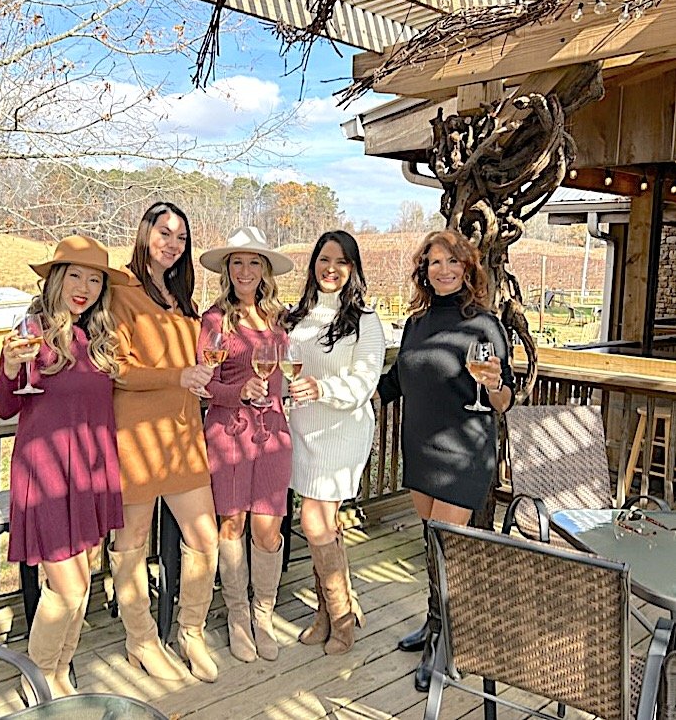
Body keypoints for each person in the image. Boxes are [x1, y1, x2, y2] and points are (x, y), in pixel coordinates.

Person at [0, 235, 127, 702]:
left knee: (84, 578)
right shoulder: (34, 332)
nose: (84, 287)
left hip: (90, 470)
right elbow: (4, 406)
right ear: (55, 278)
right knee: (66, 587)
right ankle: (36, 677)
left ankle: (62, 668)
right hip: (47, 474)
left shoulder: (98, 338)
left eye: (94, 279)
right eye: (75, 275)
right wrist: (9, 366)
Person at [377, 228, 514, 692]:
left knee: (446, 547)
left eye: (453, 262)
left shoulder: (485, 324)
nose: (444, 270)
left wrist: (494, 386)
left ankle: (446, 643)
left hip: (465, 452)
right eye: (435, 263)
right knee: (430, 542)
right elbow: (395, 381)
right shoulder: (416, 324)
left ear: (467, 269)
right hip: (419, 448)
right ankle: (434, 622)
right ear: (424, 271)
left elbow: (504, 399)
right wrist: (343, 393)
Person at [108, 201, 220, 683]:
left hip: (182, 436)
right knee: (131, 544)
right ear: (145, 234)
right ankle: (142, 640)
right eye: (164, 233)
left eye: (181, 238)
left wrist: (197, 379)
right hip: (136, 436)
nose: (173, 244)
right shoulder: (119, 289)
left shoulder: (181, 297)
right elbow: (116, 367)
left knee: (205, 539)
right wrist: (179, 374)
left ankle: (189, 631)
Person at [285, 230, 385, 655]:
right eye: (325, 259)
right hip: (302, 429)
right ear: (313, 264)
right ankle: (328, 614)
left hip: (341, 429)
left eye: (342, 262)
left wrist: (322, 389)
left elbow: (364, 384)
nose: (332, 268)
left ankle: (342, 617)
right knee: (323, 524)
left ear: (353, 269)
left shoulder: (366, 321)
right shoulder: (295, 317)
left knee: (313, 519)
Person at [197, 227, 294, 663]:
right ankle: (237, 615)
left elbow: (286, 373)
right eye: (237, 262)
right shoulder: (215, 320)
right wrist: (238, 393)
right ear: (227, 269)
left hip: (273, 430)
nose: (245, 270)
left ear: (266, 270)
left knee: (268, 528)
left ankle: (264, 614)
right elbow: (204, 384)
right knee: (232, 524)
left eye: (254, 262)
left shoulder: (278, 320)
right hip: (229, 432)